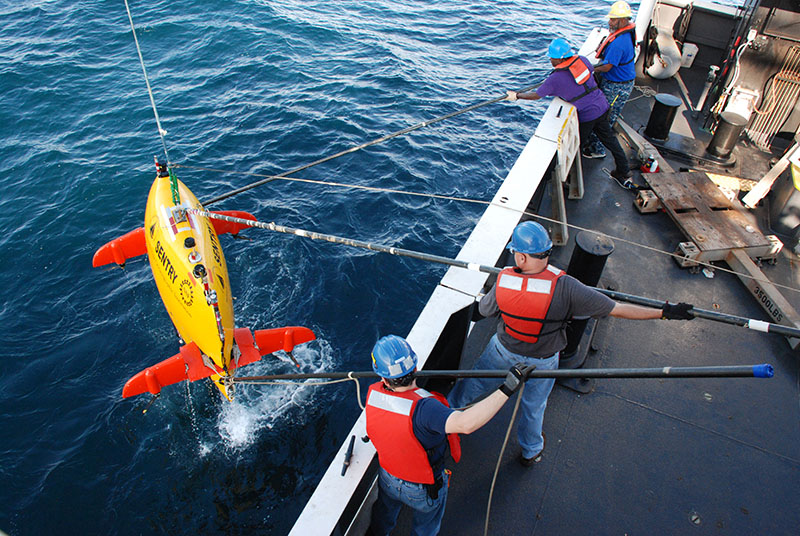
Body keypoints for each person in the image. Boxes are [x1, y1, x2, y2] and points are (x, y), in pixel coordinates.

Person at [448, 221, 695, 467]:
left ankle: (449, 417)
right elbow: (617, 309)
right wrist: (664, 312)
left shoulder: (504, 280)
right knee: (534, 407)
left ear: (521, 257)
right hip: (541, 362)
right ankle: (530, 450)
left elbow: (483, 310)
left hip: (502, 351)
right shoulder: (566, 287)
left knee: (474, 383)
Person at [366, 334, 528, 536]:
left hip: (388, 478)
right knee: (426, 526)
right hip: (422, 489)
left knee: (384, 515)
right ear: (415, 368)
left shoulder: (373, 394)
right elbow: (465, 424)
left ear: (382, 378)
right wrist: (507, 388)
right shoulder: (427, 409)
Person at [506, 37, 632, 182]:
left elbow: (536, 95)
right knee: (610, 140)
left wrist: (517, 96)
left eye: (552, 58)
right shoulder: (583, 60)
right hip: (602, 106)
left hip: (588, 115)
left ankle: (562, 179)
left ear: (560, 59)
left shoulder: (555, 78)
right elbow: (589, 72)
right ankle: (624, 169)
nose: (550, 61)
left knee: (574, 148)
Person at [584, 1, 638, 159]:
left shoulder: (619, 43)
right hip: (615, 81)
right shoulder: (625, 35)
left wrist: (590, 69)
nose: (610, 22)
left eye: (613, 19)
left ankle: (598, 149)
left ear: (623, 21)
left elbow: (607, 67)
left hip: (617, 86)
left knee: (605, 117)